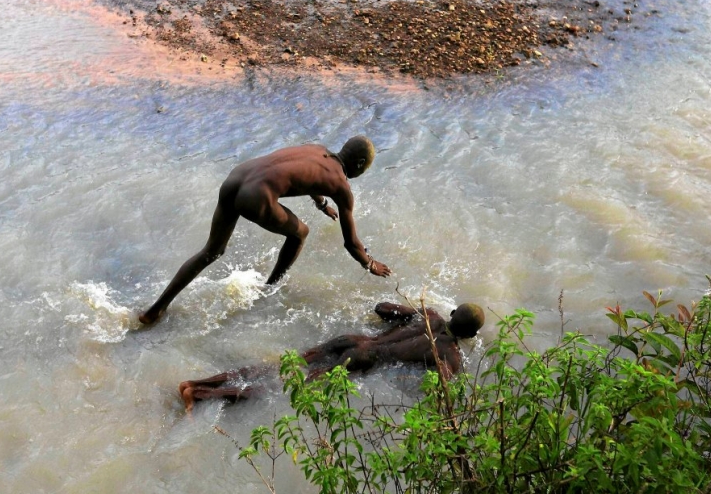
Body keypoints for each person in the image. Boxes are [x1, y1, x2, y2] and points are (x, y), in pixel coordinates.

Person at [139, 136, 392, 325]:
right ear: (360, 164)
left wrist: (321, 204)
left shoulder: (317, 149)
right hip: (256, 196)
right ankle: (269, 290)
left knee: (211, 251)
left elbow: (302, 174)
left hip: (237, 177)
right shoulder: (342, 187)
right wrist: (370, 264)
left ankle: (155, 310)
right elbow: (351, 243)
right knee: (300, 233)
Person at [178, 301, 485, 412]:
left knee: (276, 368)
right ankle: (200, 395)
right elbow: (440, 393)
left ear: (452, 312)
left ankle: (196, 382)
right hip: (363, 360)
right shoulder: (451, 355)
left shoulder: (429, 314)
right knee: (281, 389)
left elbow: (381, 307)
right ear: (471, 335)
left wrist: (406, 315)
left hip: (352, 340)